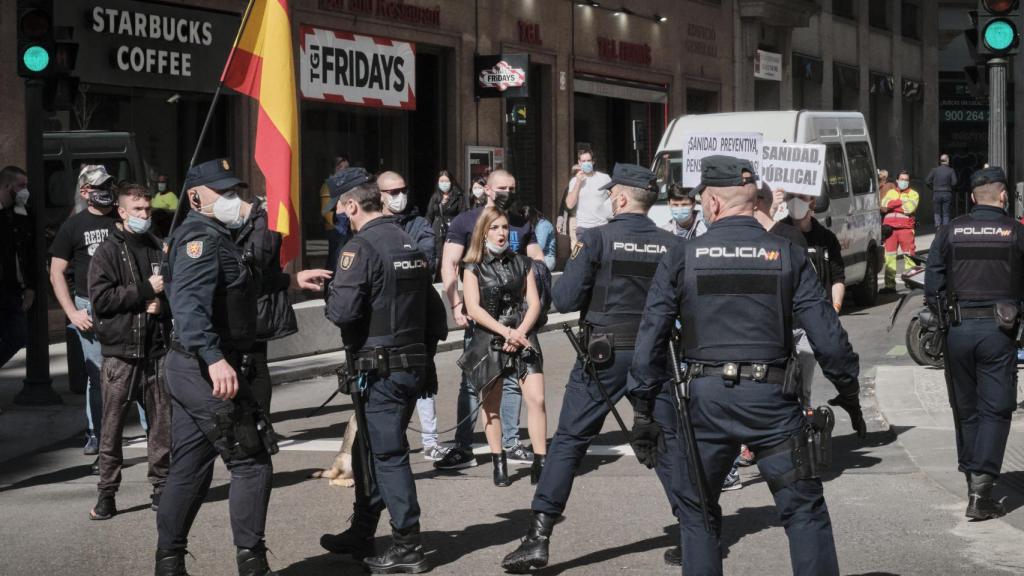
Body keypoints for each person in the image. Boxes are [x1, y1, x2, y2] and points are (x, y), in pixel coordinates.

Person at [629, 155, 866, 576]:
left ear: (714, 203)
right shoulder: (788, 255)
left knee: (698, 514)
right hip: (773, 401)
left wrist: (644, 408)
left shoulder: (684, 256)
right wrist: (848, 389)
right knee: (803, 511)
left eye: (700, 199)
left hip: (705, 403)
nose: (698, 206)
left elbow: (651, 338)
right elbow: (828, 337)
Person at [501, 163, 684, 572]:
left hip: (603, 355)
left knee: (569, 442)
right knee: (665, 441)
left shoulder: (598, 239)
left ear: (619, 198)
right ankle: (695, 528)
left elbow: (564, 299)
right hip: (654, 355)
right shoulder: (673, 245)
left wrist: (539, 273)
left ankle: (538, 538)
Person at [320, 170, 447, 573]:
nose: (340, 216)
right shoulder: (406, 240)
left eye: (340, 208)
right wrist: (425, 363)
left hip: (381, 371)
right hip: (408, 365)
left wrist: (329, 289)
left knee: (387, 456)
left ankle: (408, 545)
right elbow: (435, 316)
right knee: (366, 452)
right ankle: (362, 530)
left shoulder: (360, 248)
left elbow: (342, 313)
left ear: (352, 205)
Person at [156, 159, 277, 576]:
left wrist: (293, 281)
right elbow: (189, 307)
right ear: (194, 198)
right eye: (222, 193)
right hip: (204, 367)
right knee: (251, 460)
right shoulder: (200, 239)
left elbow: (235, 287)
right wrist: (214, 359)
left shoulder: (215, 235)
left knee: (189, 467)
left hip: (192, 366)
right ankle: (252, 563)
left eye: (234, 192)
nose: (234, 200)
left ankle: (168, 563)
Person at [925, 166, 1022, 521]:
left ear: (969, 197)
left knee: (965, 409)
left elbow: (933, 280)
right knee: (995, 408)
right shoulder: (1015, 232)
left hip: (957, 329)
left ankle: (972, 482)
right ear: (1003, 196)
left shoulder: (950, 231)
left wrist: (942, 319)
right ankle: (981, 491)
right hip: (999, 330)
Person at [435, 169, 546, 471]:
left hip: (516, 313)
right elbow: (450, 263)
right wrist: (457, 303)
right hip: (482, 316)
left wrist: (534, 270)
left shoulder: (521, 222)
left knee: (513, 385)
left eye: (512, 187)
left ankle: (510, 443)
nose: (507, 192)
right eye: (501, 187)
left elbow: (536, 260)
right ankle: (463, 446)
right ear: (486, 188)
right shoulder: (465, 221)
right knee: (474, 382)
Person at [86, 182, 172, 520]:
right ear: (121, 212)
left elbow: (173, 292)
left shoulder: (157, 246)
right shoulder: (107, 251)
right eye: (138, 210)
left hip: (156, 351)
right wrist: (143, 291)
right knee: (111, 428)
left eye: (147, 209)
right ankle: (107, 493)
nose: (145, 215)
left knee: (162, 426)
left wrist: (161, 307)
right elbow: (102, 301)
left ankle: (161, 487)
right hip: (120, 354)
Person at [461, 207, 547, 487]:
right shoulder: (472, 266)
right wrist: (505, 331)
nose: (501, 233)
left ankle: (540, 462)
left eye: (505, 228)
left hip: (523, 337)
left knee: (537, 399)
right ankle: (499, 462)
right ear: (484, 231)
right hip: (490, 339)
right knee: (491, 407)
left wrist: (520, 332)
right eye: (495, 228)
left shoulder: (523, 262)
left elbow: (534, 303)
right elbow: (473, 309)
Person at [234, 192, 332, 414]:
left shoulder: (261, 225)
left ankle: (258, 425)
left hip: (254, 308)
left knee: (254, 366)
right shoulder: (250, 224)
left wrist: (290, 279)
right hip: (250, 306)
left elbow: (254, 271)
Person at [50, 165, 120, 456]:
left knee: (138, 371)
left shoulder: (123, 219)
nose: (105, 191)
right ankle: (97, 433)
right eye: (98, 186)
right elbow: (56, 273)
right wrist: (73, 313)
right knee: (97, 375)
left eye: (108, 186)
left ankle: (151, 432)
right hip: (88, 308)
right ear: (85, 192)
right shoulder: (73, 226)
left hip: (123, 303)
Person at [379, 170, 446, 461]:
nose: (399, 196)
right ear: (379, 196)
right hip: (382, 321)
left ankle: (430, 440)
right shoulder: (371, 225)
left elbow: (424, 265)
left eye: (402, 190)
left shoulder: (420, 225)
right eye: (392, 192)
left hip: (418, 317)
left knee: (422, 379)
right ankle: (392, 441)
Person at [782, 192, 846, 410]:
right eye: (790, 196)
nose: (795, 201)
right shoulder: (776, 234)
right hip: (781, 324)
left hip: (811, 323)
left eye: (800, 196)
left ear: (812, 202)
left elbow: (837, 278)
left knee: (803, 385)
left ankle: (805, 429)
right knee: (781, 384)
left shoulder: (826, 238)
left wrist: (833, 310)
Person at [0, 166, 34, 369]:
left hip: (11, 289)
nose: (25, 190)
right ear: (6, 186)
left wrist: (30, 287)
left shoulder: (20, 213)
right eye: (21, 186)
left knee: (19, 335)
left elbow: (27, 253)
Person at [881, 170, 920, 292]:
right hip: (890, 230)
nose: (904, 182)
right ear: (897, 180)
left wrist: (892, 205)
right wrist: (900, 202)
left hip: (906, 229)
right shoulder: (891, 192)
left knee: (909, 256)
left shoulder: (914, 194)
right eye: (902, 179)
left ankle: (912, 282)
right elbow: (883, 205)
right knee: (889, 258)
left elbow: (909, 208)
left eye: (906, 180)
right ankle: (889, 286)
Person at [426, 169, 469, 272]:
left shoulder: (458, 196)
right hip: (437, 230)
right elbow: (429, 215)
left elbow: (463, 214)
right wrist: (427, 230)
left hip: (453, 229)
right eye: (441, 181)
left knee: (452, 255)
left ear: (451, 181)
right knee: (438, 256)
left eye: (446, 181)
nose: (444, 184)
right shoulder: (435, 197)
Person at [564, 149, 612, 240]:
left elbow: (614, 198)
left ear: (593, 162)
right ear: (579, 162)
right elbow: (569, 204)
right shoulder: (574, 181)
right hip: (583, 228)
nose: (586, 163)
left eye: (588, 161)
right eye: (583, 161)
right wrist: (578, 183)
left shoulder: (604, 178)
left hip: (602, 227)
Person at [926, 154, 958, 227]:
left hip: (937, 193)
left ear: (940, 161)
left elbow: (927, 181)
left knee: (937, 211)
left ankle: (938, 226)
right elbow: (954, 182)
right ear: (947, 160)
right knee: (946, 212)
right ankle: (945, 228)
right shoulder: (951, 170)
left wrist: (933, 188)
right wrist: (949, 187)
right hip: (947, 193)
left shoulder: (935, 170)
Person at [521, 204, 556, 270]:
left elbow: (539, 247)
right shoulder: (535, 225)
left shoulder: (543, 225)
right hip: (535, 257)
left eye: (528, 220)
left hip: (546, 258)